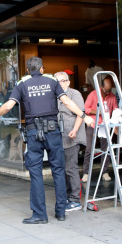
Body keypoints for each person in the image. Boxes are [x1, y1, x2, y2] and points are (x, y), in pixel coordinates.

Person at [0, 57, 94, 224]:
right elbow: (66, 101)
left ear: (28, 70)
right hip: (53, 131)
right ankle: (61, 211)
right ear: (42, 69)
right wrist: (84, 117)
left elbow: (8, 105)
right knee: (58, 170)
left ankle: (40, 215)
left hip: (34, 132)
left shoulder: (22, 83)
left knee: (36, 173)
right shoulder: (51, 80)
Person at [54, 71, 86, 212]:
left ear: (68, 82)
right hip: (58, 137)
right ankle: (67, 196)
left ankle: (75, 199)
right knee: (62, 168)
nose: (59, 83)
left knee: (70, 168)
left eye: (62, 81)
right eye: (57, 81)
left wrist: (75, 129)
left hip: (72, 136)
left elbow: (80, 113)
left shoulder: (74, 94)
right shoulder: (54, 95)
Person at [82, 77, 118, 182]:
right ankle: (86, 173)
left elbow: (115, 110)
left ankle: (105, 172)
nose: (107, 92)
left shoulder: (112, 96)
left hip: (105, 125)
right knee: (89, 149)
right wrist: (98, 112)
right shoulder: (93, 94)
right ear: (101, 87)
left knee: (105, 149)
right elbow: (86, 109)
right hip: (93, 123)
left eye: (109, 90)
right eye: (106, 90)